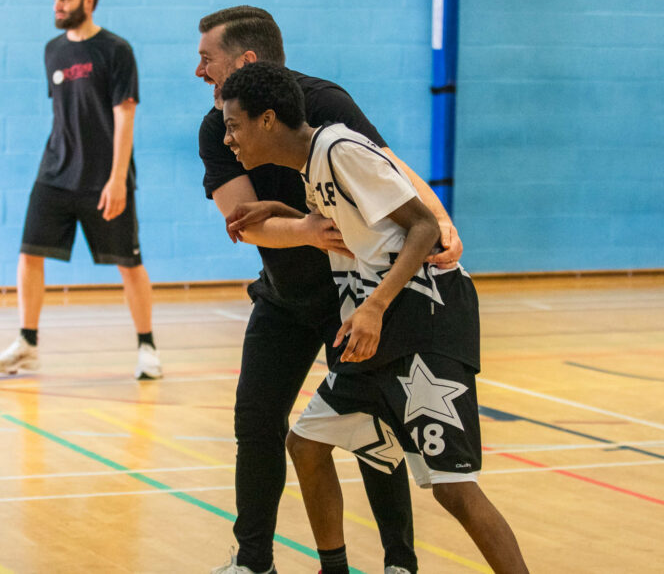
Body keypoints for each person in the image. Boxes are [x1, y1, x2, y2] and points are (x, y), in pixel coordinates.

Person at [221, 62, 529, 574]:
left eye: (234, 125)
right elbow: (356, 227)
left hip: (425, 320)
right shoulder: (313, 163)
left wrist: (374, 307)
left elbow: (423, 227)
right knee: (307, 444)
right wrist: (281, 211)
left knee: (451, 488)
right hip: (381, 329)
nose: (228, 138)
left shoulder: (341, 150)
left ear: (268, 119)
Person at [197, 7, 464, 574]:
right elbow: (242, 220)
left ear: (246, 61)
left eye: (207, 58)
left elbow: (389, 167)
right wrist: (307, 231)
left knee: (373, 432)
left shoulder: (327, 106)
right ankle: (253, 562)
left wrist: (441, 220)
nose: (199, 70)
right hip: (285, 296)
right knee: (257, 423)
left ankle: (399, 562)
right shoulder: (218, 129)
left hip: (356, 298)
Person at [0, 0, 161, 380]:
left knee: (129, 264)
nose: (56, 7)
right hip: (55, 172)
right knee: (29, 254)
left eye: (63, 0)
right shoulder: (53, 51)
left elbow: (124, 116)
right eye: (54, 0)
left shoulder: (116, 50)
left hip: (104, 179)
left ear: (88, 1)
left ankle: (148, 347)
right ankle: (27, 343)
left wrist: (117, 179)